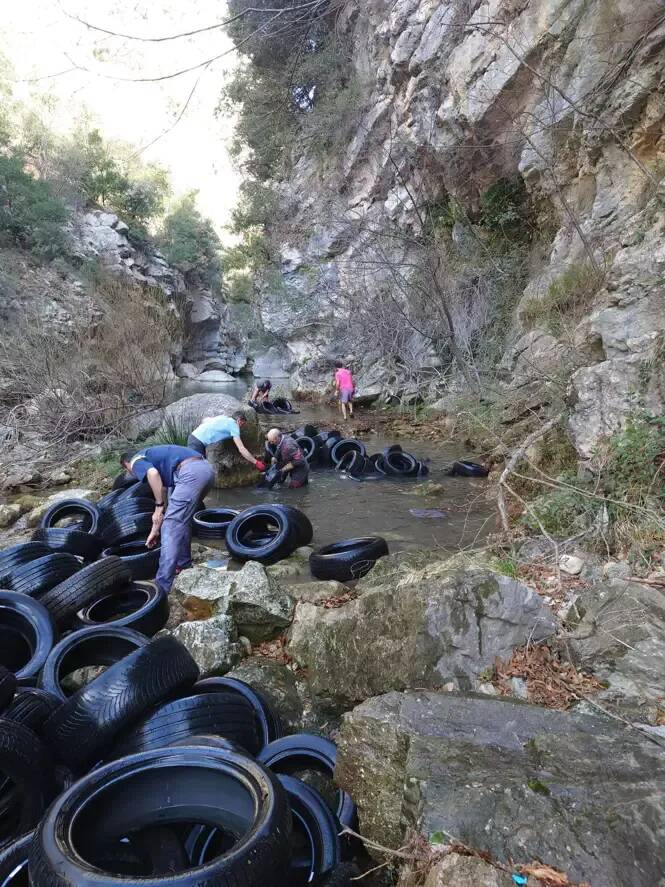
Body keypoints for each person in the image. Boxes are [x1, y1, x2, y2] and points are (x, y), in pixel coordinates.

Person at [120, 445, 214, 595]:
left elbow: (152, 473)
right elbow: (162, 490)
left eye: (128, 470)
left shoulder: (136, 460)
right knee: (180, 520)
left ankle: (162, 586)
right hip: (206, 470)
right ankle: (183, 564)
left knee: (171, 525)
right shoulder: (150, 456)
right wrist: (156, 527)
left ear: (126, 464)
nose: (131, 473)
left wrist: (158, 505)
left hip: (190, 472)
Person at [187, 411, 266, 473]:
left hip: (193, 437)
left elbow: (205, 419)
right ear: (239, 420)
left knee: (199, 468)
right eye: (242, 424)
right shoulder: (234, 426)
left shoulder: (222, 417)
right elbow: (241, 449)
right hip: (198, 443)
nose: (242, 427)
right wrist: (256, 462)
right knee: (197, 471)